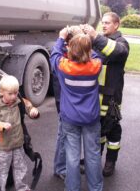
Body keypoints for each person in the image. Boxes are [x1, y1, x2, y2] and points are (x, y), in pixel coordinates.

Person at [50, 28, 103, 191]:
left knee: (72, 157)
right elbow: (94, 55)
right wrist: (86, 40)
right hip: (91, 118)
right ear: (88, 50)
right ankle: (95, 188)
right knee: (93, 155)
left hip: (70, 119)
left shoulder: (63, 66)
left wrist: (61, 38)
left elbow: (54, 55)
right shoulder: (96, 66)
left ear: (70, 49)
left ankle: (72, 188)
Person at [83, 12, 130, 177]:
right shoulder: (99, 42)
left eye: (107, 23)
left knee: (113, 131)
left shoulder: (121, 42)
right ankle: (94, 159)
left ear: (116, 25)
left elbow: (117, 52)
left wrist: (95, 35)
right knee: (98, 130)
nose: (103, 25)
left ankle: (111, 161)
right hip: (96, 95)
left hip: (112, 98)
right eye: (102, 23)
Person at [0, 75, 39, 191]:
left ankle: (22, 188)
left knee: (20, 168)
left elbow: (28, 105)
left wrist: (33, 111)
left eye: (16, 92)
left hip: (18, 144)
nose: (14, 96)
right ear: (2, 92)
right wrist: (0, 125)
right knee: (1, 171)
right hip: (3, 147)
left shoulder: (19, 101)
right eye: (10, 94)